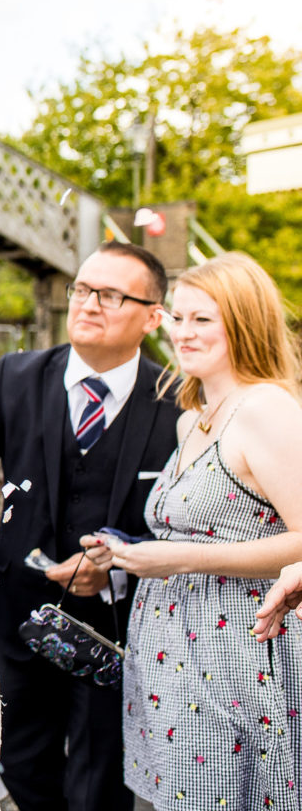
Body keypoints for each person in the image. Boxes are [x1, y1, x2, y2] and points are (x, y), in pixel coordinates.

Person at [0, 241, 181, 811]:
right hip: (16, 619)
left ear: (152, 315)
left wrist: (121, 565)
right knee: (20, 770)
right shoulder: (18, 375)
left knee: (102, 786)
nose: (89, 303)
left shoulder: (175, 399)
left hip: (122, 632)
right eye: (82, 288)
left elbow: (192, 520)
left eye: (111, 295)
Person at [83, 252, 302, 809]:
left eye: (202, 319)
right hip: (172, 658)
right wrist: (130, 553)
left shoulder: (266, 408)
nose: (183, 332)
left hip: (239, 653)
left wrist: (177, 559)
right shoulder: (193, 415)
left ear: (243, 321)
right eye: (178, 318)